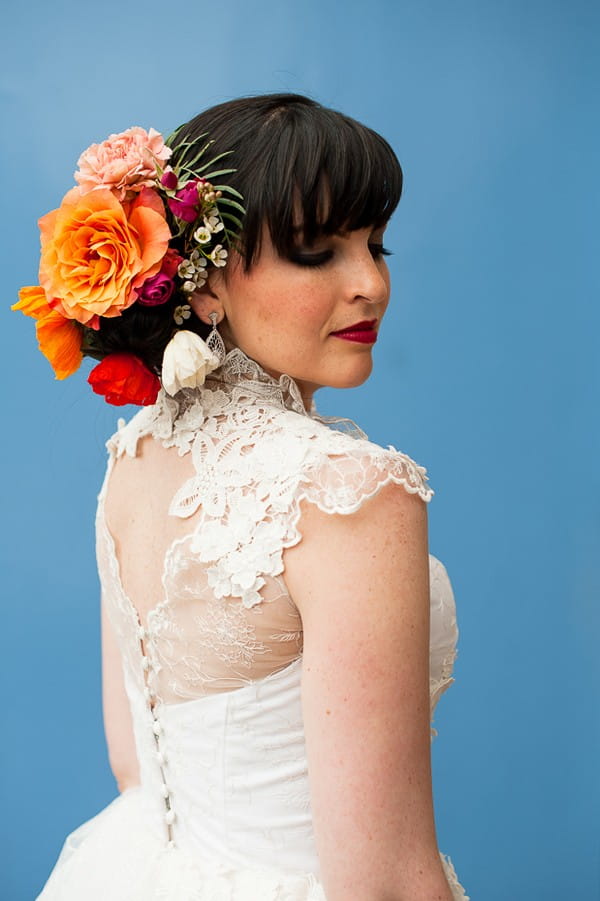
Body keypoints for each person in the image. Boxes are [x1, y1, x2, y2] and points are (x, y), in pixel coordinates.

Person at [14, 93, 468, 900]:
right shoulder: (351, 493)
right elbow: (387, 883)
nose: (371, 283)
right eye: (316, 250)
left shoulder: (136, 454)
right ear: (206, 282)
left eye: (376, 244)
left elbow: (134, 763)